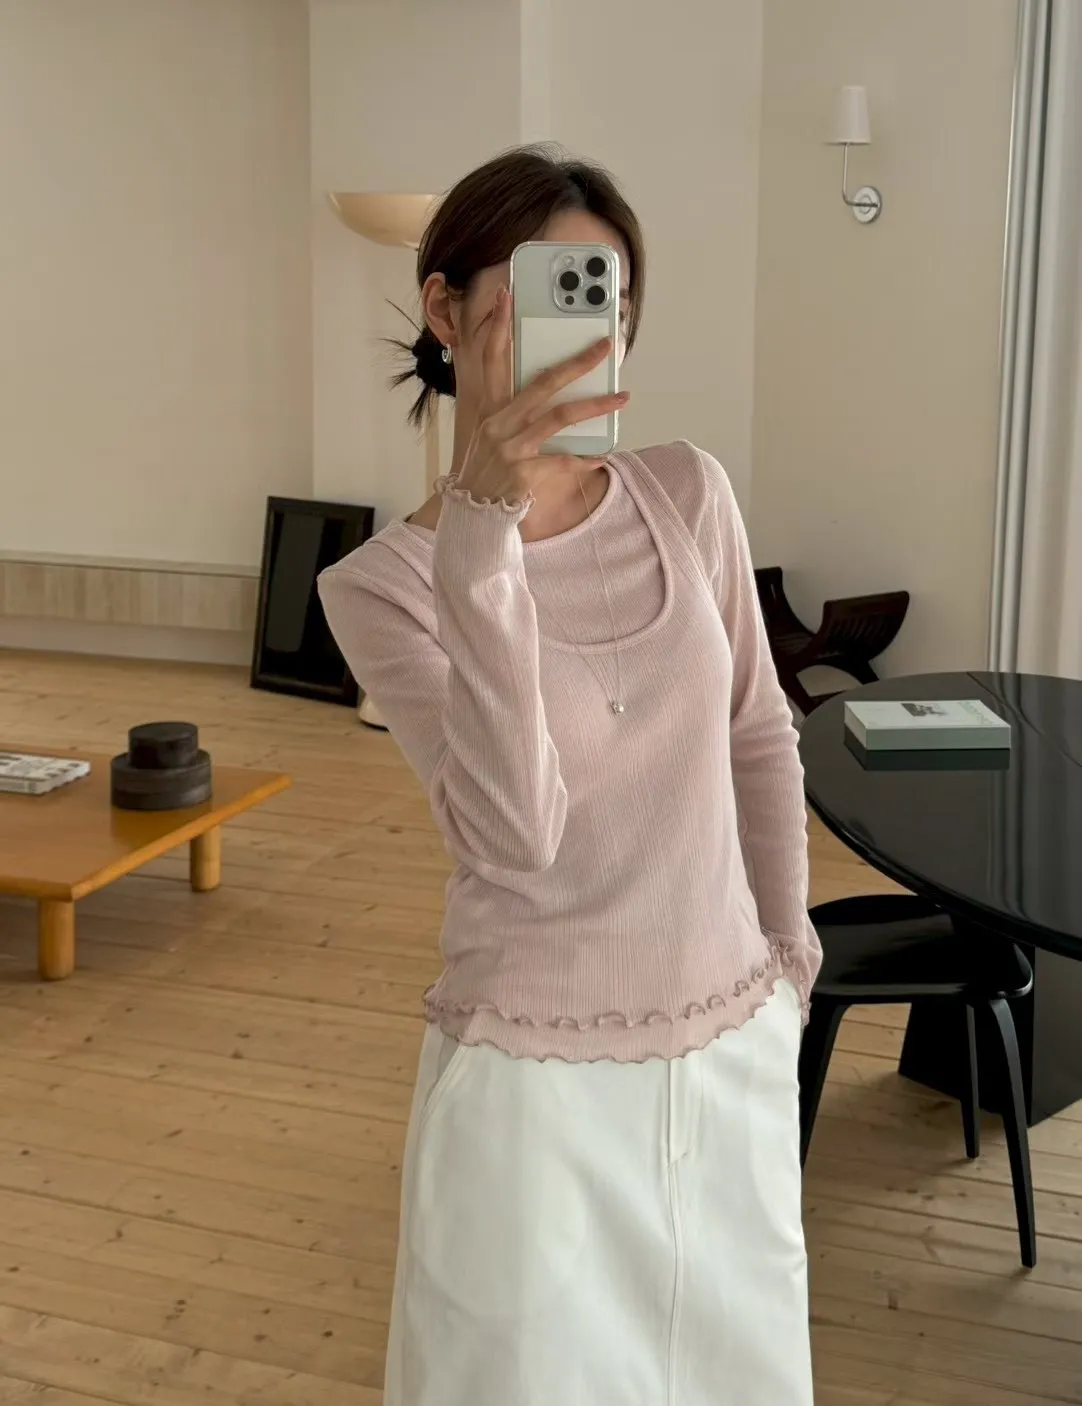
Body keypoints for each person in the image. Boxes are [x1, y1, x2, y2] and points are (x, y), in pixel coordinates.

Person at [319, 145, 820, 1406]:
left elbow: (756, 730)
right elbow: (511, 837)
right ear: (445, 308)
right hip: (533, 1092)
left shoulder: (686, 492)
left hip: (730, 1055)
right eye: (549, 284)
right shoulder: (380, 586)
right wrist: (480, 538)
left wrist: (786, 963)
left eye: (605, 290)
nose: (587, 320)